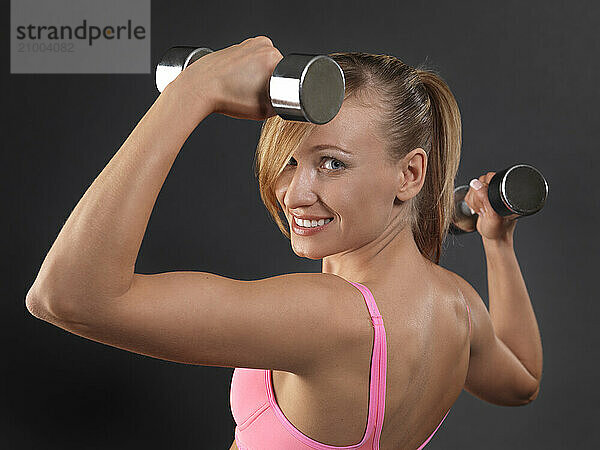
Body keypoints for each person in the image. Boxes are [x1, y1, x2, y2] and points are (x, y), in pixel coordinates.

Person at [26, 36, 543, 449]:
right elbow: (522, 381)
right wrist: (497, 245)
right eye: (291, 160)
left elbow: (66, 296)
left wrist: (192, 93)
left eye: (332, 163)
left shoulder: (327, 318)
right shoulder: (459, 307)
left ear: (409, 175)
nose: (294, 193)